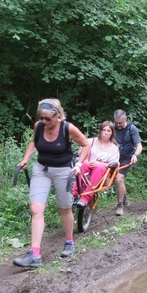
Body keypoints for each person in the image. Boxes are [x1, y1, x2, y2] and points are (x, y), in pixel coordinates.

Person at [14, 98, 90, 268]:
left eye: (48, 118)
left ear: (58, 115)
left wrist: (78, 164)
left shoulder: (67, 128)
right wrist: (25, 158)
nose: (44, 121)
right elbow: (34, 142)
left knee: (64, 208)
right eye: (42, 117)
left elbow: (85, 145)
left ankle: (69, 241)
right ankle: (34, 254)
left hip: (64, 171)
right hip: (41, 170)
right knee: (36, 209)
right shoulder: (39, 126)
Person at [72, 121, 120, 208]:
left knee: (99, 167)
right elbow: (80, 155)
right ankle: (74, 193)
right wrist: (86, 161)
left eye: (108, 131)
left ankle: (85, 198)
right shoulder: (91, 141)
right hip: (88, 168)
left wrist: (100, 163)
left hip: (103, 173)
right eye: (104, 130)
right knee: (84, 164)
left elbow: (115, 164)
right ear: (100, 131)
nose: (105, 133)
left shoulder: (114, 148)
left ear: (112, 133)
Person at [114, 109, 143, 216]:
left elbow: (139, 146)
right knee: (114, 180)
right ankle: (124, 197)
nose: (118, 125)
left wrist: (135, 155)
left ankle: (120, 205)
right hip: (114, 158)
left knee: (119, 179)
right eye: (116, 122)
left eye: (120, 123)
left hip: (127, 158)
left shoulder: (131, 128)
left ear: (125, 119)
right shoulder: (112, 128)